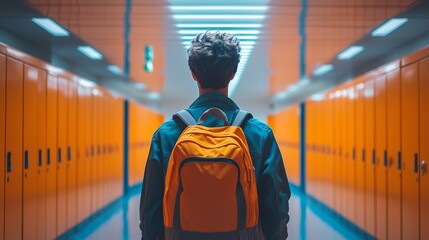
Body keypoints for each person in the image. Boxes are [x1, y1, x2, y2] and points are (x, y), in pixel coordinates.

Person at [139, 31, 291, 240]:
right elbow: (276, 208)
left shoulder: (166, 135)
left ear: (193, 73)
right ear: (233, 72)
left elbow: (150, 211)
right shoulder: (259, 135)